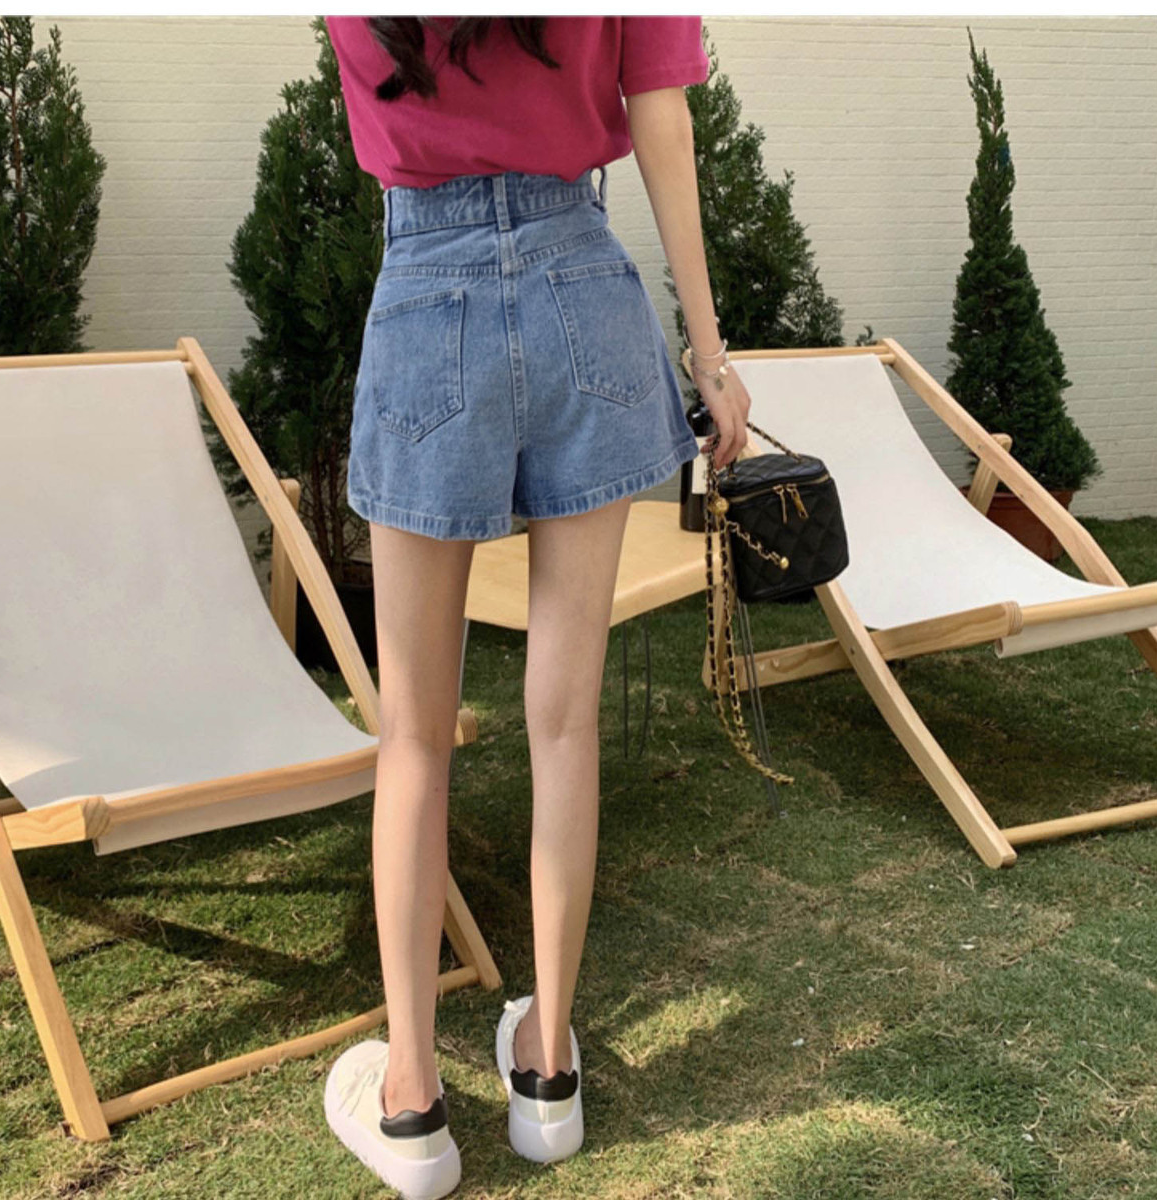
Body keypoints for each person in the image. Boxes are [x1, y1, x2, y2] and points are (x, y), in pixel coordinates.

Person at [320, 16, 750, 1199]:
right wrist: (710, 358)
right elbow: (663, 123)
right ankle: (547, 1068)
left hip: (428, 289)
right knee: (564, 720)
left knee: (414, 732)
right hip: (583, 287)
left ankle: (412, 1102)